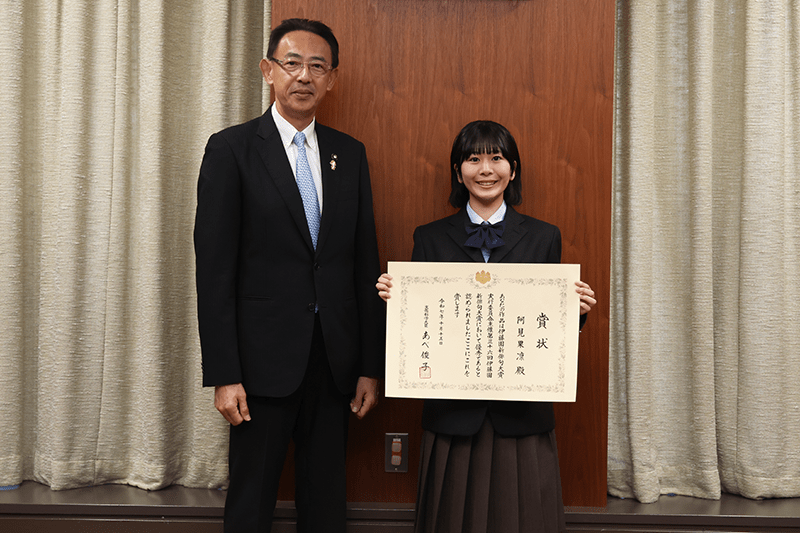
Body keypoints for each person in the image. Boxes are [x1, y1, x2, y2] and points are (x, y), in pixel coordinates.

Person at [194, 18, 384, 533]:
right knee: (251, 500)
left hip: (334, 360)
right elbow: (213, 272)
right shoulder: (231, 149)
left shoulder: (351, 153)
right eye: (292, 63)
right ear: (268, 71)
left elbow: (363, 262)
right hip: (259, 366)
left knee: (326, 503)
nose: (304, 76)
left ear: (332, 79)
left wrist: (370, 364)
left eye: (317, 66)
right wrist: (224, 373)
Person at [376, 120, 596, 533]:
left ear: (513, 168)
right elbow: (422, 326)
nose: (485, 169)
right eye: (473, 158)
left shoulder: (545, 236)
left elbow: (544, 327)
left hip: (522, 414)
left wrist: (576, 311)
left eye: (496, 157)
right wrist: (396, 301)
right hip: (452, 415)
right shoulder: (429, 238)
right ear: (458, 170)